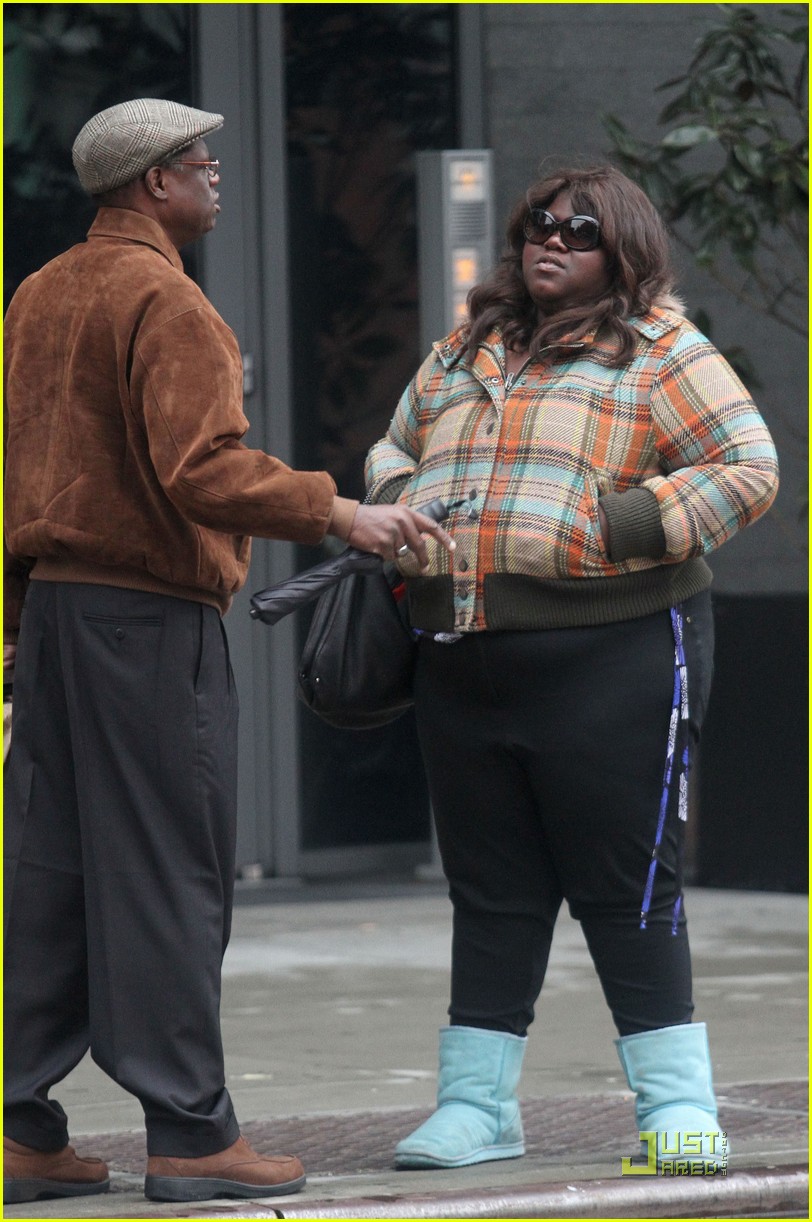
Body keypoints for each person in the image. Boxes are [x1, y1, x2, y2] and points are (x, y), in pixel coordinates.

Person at [2, 97, 454, 1207]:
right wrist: (342, 513)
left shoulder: (41, 292)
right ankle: (192, 1135)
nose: (216, 177)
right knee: (168, 873)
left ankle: (17, 1125)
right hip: (146, 622)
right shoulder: (168, 300)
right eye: (201, 164)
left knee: (50, 874)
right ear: (153, 183)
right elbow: (202, 472)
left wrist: (17, 624)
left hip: (55, 615)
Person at [364, 164, 779, 1171]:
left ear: (619, 249)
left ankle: (676, 1107)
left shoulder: (661, 350)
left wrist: (614, 522)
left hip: (618, 650)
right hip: (464, 653)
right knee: (490, 888)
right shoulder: (464, 346)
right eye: (536, 226)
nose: (547, 241)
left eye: (576, 230)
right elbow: (388, 447)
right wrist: (406, 501)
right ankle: (475, 1106)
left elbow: (748, 466)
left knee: (625, 881)